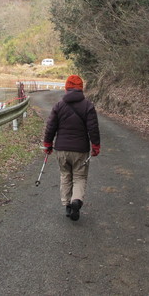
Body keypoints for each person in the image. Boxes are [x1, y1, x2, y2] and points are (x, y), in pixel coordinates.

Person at [43, 75, 101, 221]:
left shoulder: (58, 105)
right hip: (80, 150)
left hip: (61, 149)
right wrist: (95, 146)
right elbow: (93, 128)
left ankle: (67, 205)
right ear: (81, 88)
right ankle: (76, 200)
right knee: (79, 177)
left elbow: (50, 127)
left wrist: (48, 144)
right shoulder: (88, 106)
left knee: (65, 175)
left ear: (66, 88)